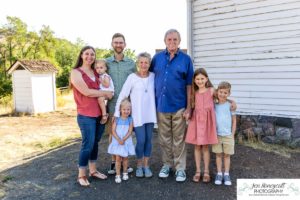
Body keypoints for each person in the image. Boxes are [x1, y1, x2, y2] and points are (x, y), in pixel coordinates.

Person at [150, 29, 194, 182]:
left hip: (179, 106)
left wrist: (189, 107)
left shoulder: (186, 60)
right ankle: (167, 165)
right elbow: (149, 79)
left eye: (175, 39)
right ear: (165, 41)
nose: (172, 42)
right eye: (169, 39)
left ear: (179, 41)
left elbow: (189, 85)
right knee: (164, 138)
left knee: (179, 138)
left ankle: (180, 169)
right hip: (161, 105)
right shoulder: (156, 58)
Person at [70, 46, 113, 187]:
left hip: (100, 115)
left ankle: (93, 171)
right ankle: (81, 174)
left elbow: (105, 85)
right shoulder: (76, 73)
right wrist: (105, 94)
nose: (90, 56)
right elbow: (87, 92)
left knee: (95, 143)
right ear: (81, 55)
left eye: (92, 54)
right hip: (85, 114)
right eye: (87, 54)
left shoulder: (96, 71)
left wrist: (107, 93)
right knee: (87, 144)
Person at [114, 52, 156, 178]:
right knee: (141, 140)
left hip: (150, 114)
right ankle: (138, 165)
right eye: (141, 62)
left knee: (148, 141)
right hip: (138, 116)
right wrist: (117, 112)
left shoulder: (153, 76)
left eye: (146, 62)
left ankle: (146, 165)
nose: (143, 65)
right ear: (138, 63)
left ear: (149, 64)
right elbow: (123, 95)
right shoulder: (132, 77)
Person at [106, 33, 136, 175]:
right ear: (112, 44)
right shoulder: (106, 63)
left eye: (121, 42)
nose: (118, 45)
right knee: (113, 133)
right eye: (116, 42)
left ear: (125, 44)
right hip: (112, 104)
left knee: (127, 133)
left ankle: (124, 162)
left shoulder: (131, 63)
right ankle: (113, 162)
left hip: (127, 106)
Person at [185, 68, 218, 183]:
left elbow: (223, 98)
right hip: (196, 122)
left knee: (205, 147)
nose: (200, 81)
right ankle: (198, 171)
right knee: (197, 146)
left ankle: (207, 171)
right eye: (197, 79)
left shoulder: (211, 90)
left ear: (206, 79)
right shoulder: (194, 93)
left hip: (207, 122)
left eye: (202, 78)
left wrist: (231, 102)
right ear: (194, 80)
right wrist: (187, 113)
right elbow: (191, 107)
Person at [212, 81, 237, 186]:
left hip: (228, 135)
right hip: (217, 134)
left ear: (229, 94)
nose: (222, 94)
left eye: (225, 93)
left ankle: (226, 174)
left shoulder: (230, 105)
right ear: (217, 92)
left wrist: (232, 134)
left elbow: (234, 120)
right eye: (221, 92)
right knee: (218, 155)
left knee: (227, 155)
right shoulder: (214, 105)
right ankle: (219, 173)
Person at [108, 98, 135, 183]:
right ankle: (118, 174)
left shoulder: (130, 119)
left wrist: (123, 139)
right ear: (120, 110)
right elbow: (113, 131)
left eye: (128, 109)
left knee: (126, 158)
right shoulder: (117, 119)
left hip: (126, 141)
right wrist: (119, 139)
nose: (126, 111)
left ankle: (125, 173)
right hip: (117, 141)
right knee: (118, 158)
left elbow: (130, 131)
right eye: (124, 109)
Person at [95, 59, 114, 124]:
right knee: (100, 101)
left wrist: (101, 81)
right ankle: (104, 113)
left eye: (101, 68)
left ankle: (104, 115)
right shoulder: (100, 76)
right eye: (97, 68)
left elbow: (107, 85)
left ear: (105, 68)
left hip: (108, 91)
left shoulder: (105, 76)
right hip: (104, 92)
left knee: (100, 99)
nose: (99, 69)